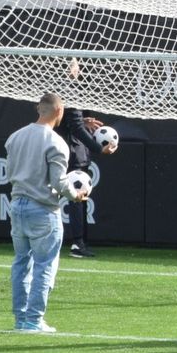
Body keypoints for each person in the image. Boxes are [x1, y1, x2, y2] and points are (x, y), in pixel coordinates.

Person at [5, 92, 87, 333]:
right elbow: (59, 182)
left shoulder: (15, 137)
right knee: (44, 265)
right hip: (42, 209)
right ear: (59, 112)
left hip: (17, 205)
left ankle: (21, 319)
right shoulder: (56, 142)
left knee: (21, 263)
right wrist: (76, 195)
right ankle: (33, 320)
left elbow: (10, 173)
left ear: (38, 109)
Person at [56, 104, 116, 258]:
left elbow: (72, 122)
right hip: (72, 153)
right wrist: (98, 148)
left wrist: (81, 121)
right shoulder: (68, 91)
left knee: (78, 198)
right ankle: (77, 244)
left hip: (73, 152)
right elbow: (75, 127)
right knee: (76, 198)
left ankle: (79, 242)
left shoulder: (73, 90)